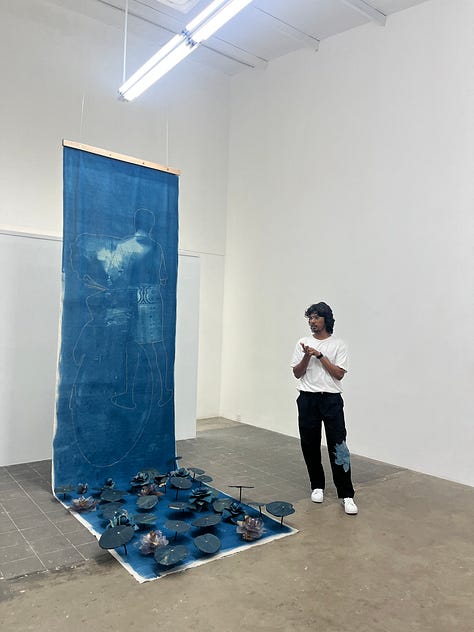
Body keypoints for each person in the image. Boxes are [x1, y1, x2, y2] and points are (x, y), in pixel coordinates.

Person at [291, 302, 358, 515]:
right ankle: (317, 486)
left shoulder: (339, 345)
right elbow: (297, 373)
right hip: (307, 399)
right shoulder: (302, 343)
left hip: (331, 400)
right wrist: (306, 355)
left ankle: (346, 495)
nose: (312, 322)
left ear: (326, 319)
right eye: (310, 318)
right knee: (309, 444)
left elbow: (338, 374)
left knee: (338, 445)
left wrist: (319, 356)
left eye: (316, 317)